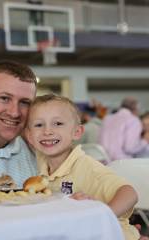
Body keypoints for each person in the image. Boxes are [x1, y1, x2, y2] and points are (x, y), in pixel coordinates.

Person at [26, 94, 140, 240]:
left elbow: (129, 193)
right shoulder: (41, 162)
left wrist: (98, 218)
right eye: (39, 125)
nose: (47, 131)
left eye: (58, 123)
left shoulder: (86, 166)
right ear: (30, 136)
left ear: (77, 132)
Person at [99, 97, 149, 161]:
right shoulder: (133, 120)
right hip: (122, 163)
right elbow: (129, 148)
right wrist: (145, 140)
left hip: (103, 163)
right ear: (136, 109)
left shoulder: (107, 119)